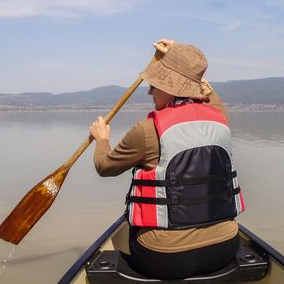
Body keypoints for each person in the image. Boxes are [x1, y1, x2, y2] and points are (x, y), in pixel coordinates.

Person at [89, 39, 245, 280]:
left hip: (165, 259)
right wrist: (180, 57)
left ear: (171, 88)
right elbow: (205, 90)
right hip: (225, 248)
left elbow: (104, 167)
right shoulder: (220, 118)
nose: (150, 91)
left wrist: (102, 138)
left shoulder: (147, 130)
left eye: (154, 85)